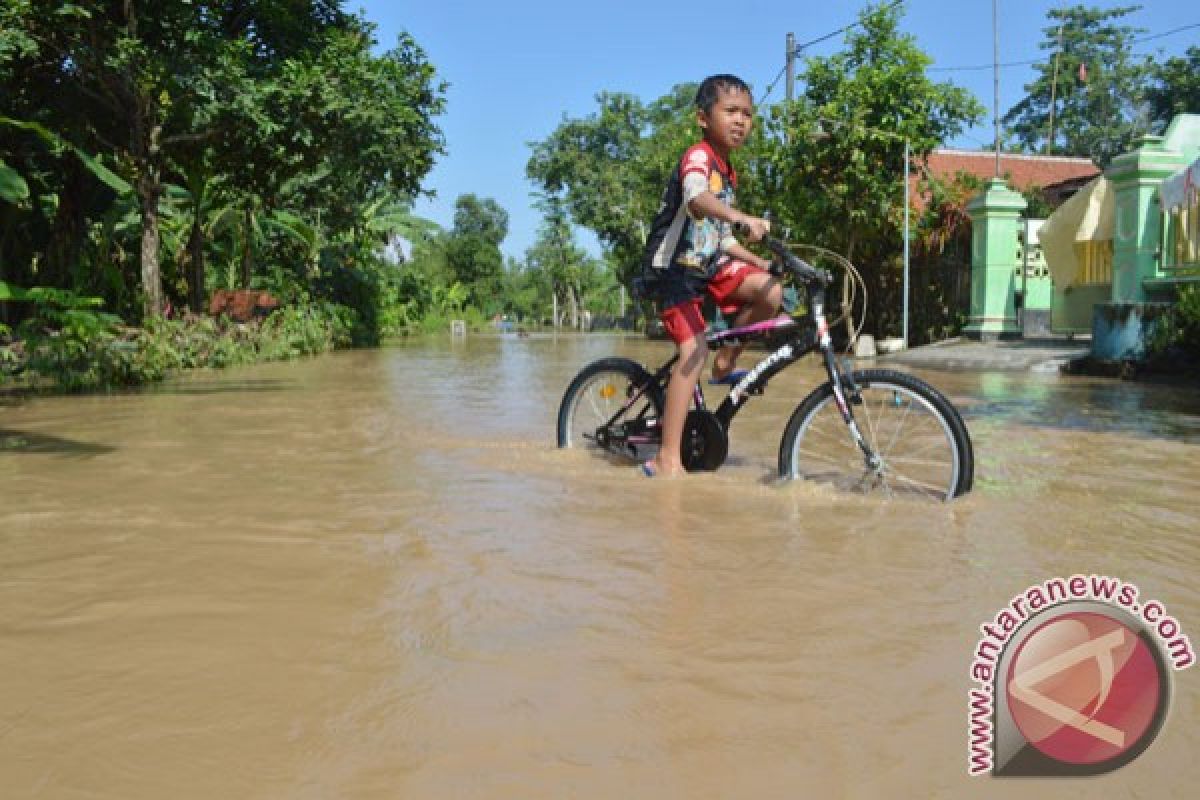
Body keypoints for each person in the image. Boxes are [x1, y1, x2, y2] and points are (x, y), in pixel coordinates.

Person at [641, 74, 782, 478]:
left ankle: (726, 363)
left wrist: (761, 263)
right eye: (731, 111)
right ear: (704, 118)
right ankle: (667, 458)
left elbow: (720, 239)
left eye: (748, 114)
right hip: (674, 271)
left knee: (772, 292)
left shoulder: (729, 173)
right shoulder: (699, 157)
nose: (741, 121)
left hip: (708, 266)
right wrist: (740, 217)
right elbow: (696, 198)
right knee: (692, 352)